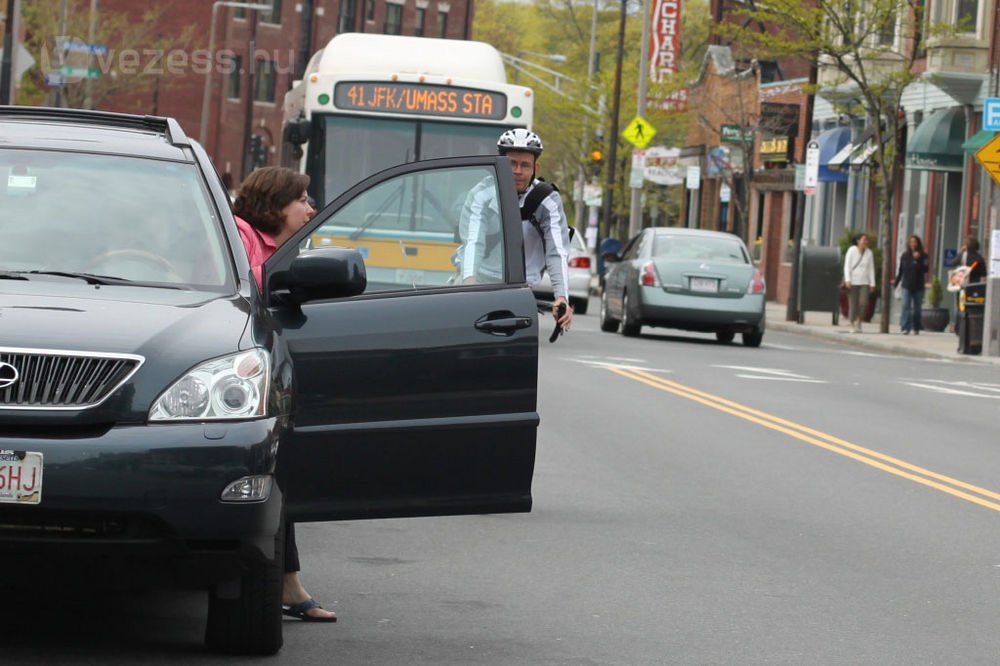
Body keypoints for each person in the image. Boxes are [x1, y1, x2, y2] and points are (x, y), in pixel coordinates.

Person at [232, 167, 338, 623]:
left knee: (282, 471)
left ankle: (287, 581)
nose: (311, 208)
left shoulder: (283, 246)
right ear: (275, 205)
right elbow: (245, 293)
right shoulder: (239, 235)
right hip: (236, 381)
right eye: (303, 199)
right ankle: (286, 583)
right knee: (273, 470)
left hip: (266, 375)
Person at [459, 128, 573, 332]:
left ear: (535, 168)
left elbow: (557, 251)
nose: (517, 170)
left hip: (520, 290)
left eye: (525, 165)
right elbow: (473, 242)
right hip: (480, 282)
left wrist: (561, 296)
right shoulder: (481, 195)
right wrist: (469, 284)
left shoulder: (548, 201)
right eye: (511, 163)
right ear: (499, 162)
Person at [893, 234, 929, 335]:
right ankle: (905, 327)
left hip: (918, 285)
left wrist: (917, 260)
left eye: (915, 242)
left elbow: (926, 269)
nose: (913, 244)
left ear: (918, 244)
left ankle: (916, 326)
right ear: (908, 244)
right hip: (907, 285)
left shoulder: (924, 256)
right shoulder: (905, 256)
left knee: (917, 308)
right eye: (911, 242)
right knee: (905, 306)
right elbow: (901, 271)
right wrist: (896, 283)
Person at [843, 232, 876, 333]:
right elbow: (847, 265)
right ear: (858, 241)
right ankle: (852, 323)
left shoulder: (869, 253)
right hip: (853, 282)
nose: (866, 242)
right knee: (853, 304)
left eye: (866, 240)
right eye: (864, 239)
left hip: (864, 282)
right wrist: (847, 279)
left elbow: (871, 268)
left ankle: (859, 322)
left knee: (864, 303)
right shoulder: (851, 251)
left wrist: (872, 283)